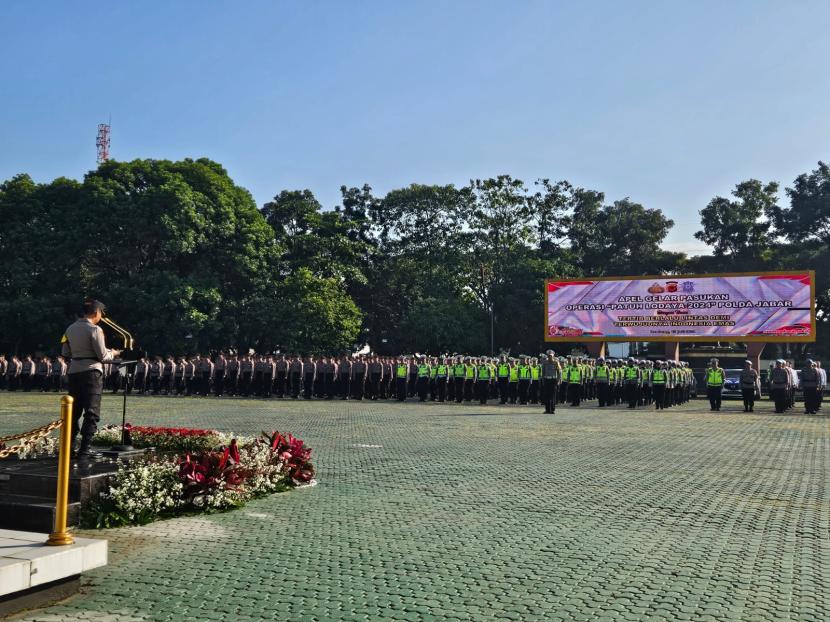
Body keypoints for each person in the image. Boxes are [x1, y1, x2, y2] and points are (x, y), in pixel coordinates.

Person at [61, 298, 120, 459]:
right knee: (92, 412)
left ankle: (69, 447)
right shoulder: (95, 330)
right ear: (97, 312)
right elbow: (103, 356)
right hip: (91, 373)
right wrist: (114, 352)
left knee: (73, 411)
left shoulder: (70, 328)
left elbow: (65, 352)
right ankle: (85, 449)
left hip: (74, 371)